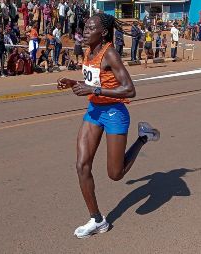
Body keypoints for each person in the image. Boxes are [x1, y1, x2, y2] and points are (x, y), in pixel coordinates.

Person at [56, 13, 160, 239]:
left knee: (115, 174)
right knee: (82, 166)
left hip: (114, 113)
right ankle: (97, 220)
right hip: (94, 111)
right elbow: (95, 82)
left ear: (102, 32)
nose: (84, 31)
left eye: (90, 28)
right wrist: (74, 83)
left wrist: (94, 91)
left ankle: (143, 137)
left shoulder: (110, 53)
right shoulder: (88, 50)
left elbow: (130, 90)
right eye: (84, 27)